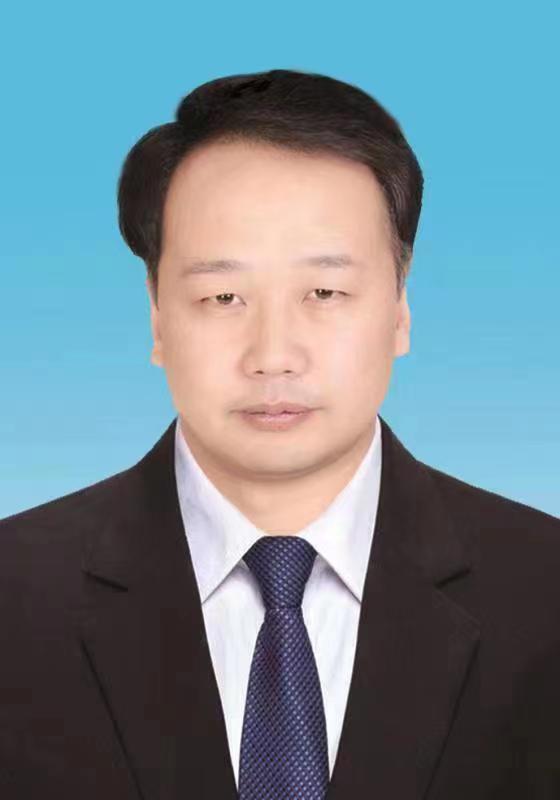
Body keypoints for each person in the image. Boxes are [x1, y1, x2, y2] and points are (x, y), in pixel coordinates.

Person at [1, 68, 559, 800]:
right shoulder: (14, 598)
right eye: (222, 296)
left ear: (400, 309)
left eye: (324, 292)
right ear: (158, 317)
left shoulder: (545, 591)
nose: (272, 356)